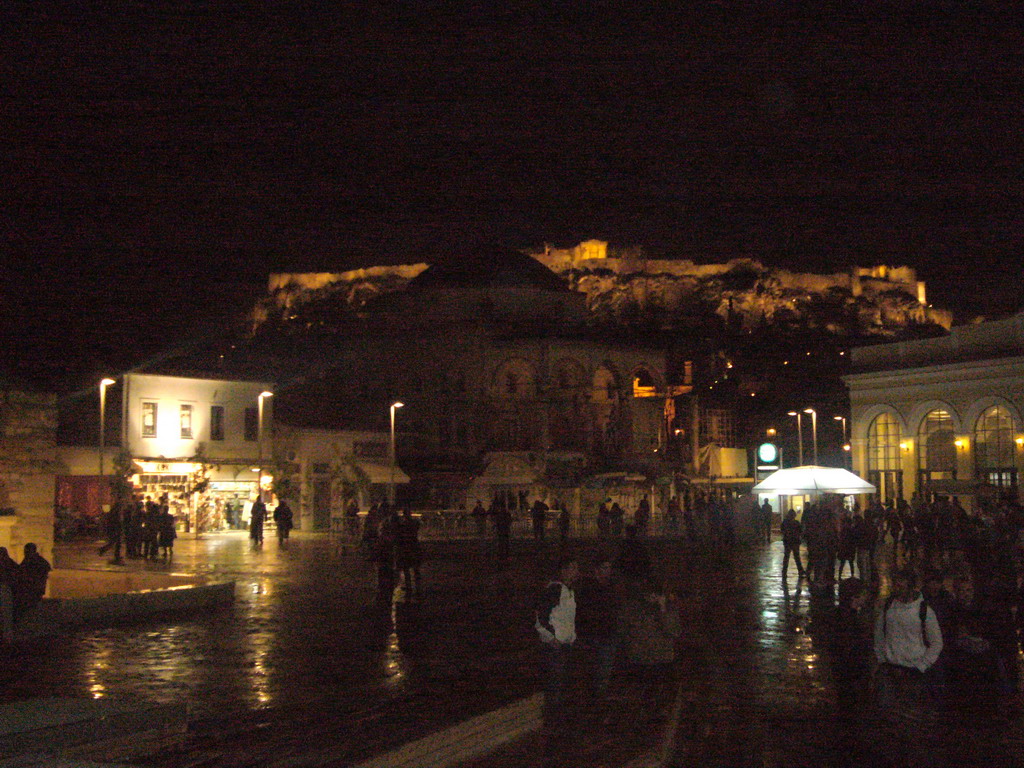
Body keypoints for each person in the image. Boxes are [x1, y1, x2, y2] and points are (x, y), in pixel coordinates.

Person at [874, 568, 943, 706]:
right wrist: (882, 659)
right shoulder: (888, 607)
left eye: (901, 586)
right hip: (890, 670)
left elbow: (936, 642)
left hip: (914, 672)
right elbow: (879, 635)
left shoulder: (924, 611)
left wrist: (922, 666)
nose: (896, 590)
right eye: (895, 585)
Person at [535, 554, 579, 739]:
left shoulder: (568, 591)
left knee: (561, 684)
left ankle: (557, 722)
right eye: (574, 568)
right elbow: (540, 619)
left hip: (564, 645)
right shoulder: (555, 590)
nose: (577, 572)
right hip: (556, 647)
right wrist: (552, 639)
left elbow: (566, 619)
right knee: (555, 685)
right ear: (564, 570)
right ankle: (552, 724)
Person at [575, 555, 620, 699]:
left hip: (607, 634)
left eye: (609, 568)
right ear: (596, 570)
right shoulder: (588, 589)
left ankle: (599, 698)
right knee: (592, 670)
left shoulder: (611, 587)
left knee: (603, 671)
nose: (608, 571)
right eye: (605, 568)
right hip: (593, 635)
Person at [15, 543, 51, 619]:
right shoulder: (31, 560)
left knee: (32, 611)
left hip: (33, 589)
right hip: (32, 590)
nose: (25, 553)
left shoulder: (34, 560)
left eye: (26, 551)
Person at [394, 507, 422, 597]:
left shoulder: (403, 524)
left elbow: (400, 535)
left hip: (406, 547)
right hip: (413, 546)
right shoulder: (414, 523)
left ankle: (408, 585)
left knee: (406, 568)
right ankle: (418, 586)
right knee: (415, 568)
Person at [781, 509, 805, 580]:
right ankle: (800, 571)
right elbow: (800, 531)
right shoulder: (796, 523)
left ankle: (784, 572)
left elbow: (782, 530)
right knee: (796, 557)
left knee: (787, 557)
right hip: (794, 541)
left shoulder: (785, 522)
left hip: (788, 541)